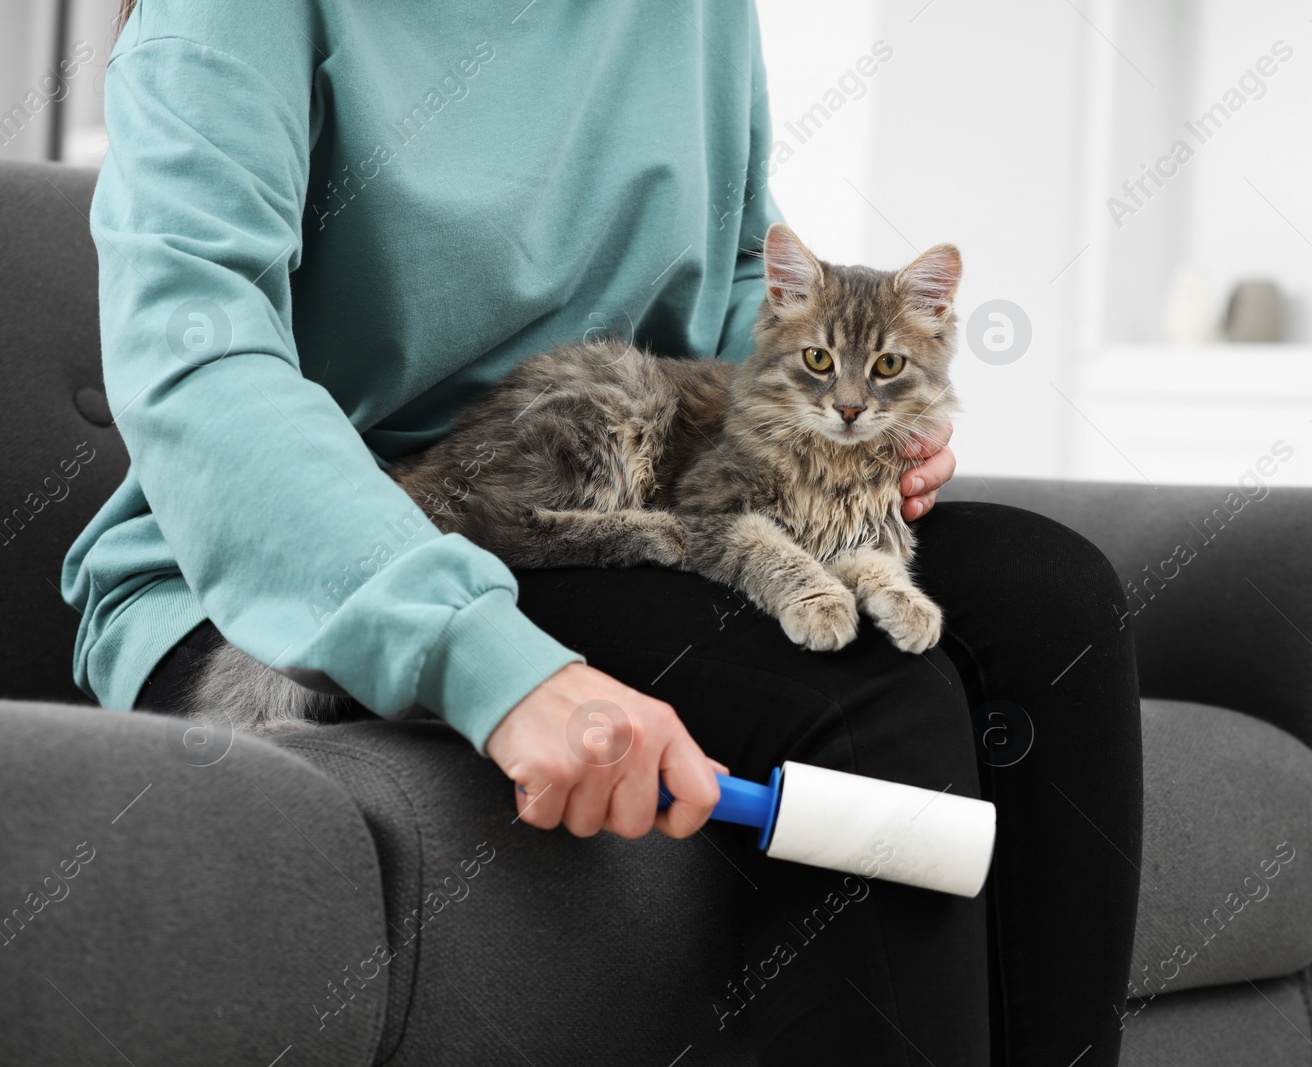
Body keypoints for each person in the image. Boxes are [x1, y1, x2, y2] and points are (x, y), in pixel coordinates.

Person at [63, 2, 1143, 1063]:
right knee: (862, 688)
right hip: (311, 555)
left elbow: (725, 299)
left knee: (1053, 601)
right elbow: (199, 369)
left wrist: (829, 453)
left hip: (625, 480)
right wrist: (485, 658)